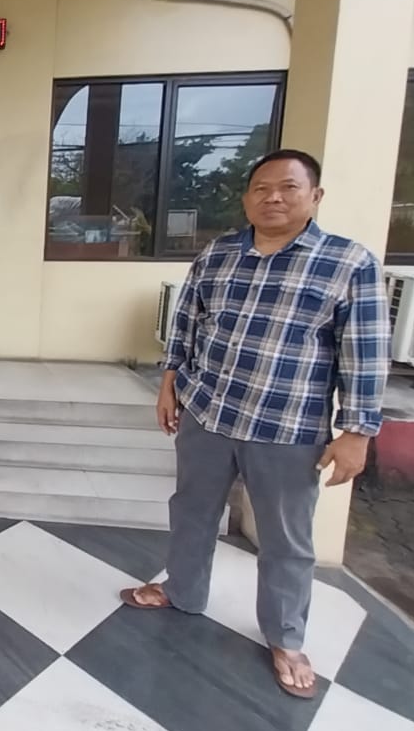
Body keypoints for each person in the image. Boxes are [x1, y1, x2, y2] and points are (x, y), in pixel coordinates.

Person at [120, 149, 390, 700]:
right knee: (192, 511)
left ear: (315, 196)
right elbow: (187, 323)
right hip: (208, 413)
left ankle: (286, 637)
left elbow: (365, 353)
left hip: (288, 426)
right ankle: (183, 591)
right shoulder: (219, 254)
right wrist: (169, 383)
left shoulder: (348, 262)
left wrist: (357, 432)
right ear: (246, 199)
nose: (274, 198)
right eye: (262, 188)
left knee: (286, 536)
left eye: (288, 187)